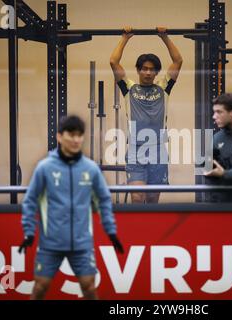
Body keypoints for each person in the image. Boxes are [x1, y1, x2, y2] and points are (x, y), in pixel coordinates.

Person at [18, 115, 124, 300]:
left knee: (89, 288)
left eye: (80, 135)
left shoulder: (90, 169)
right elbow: (30, 201)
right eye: (71, 135)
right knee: (40, 288)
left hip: (82, 244)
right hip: (50, 244)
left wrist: (111, 232)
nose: (76, 140)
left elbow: (104, 200)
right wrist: (28, 232)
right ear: (60, 137)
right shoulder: (45, 167)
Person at [109, 26, 183, 204]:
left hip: (157, 149)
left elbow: (178, 61)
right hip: (136, 148)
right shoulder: (129, 88)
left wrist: (164, 37)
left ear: (157, 72)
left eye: (151, 69)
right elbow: (113, 62)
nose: (148, 72)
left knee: (152, 200)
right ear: (138, 70)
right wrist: (125, 38)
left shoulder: (164, 88)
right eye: (144, 69)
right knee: (137, 197)